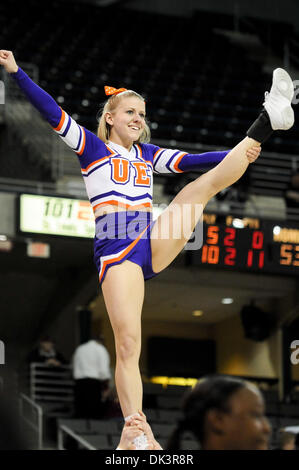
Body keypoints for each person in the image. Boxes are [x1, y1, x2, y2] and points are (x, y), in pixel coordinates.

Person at [0, 49, 294, 448]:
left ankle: (268, 120)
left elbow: (195, 161)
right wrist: (17, 73)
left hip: (150, 238)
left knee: (199, 187)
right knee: (128, 342)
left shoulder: (148, 155)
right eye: (130, 112)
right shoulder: (90, 147)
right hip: (117, 252)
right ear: (109, 117)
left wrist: (241, 151)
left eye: (142, 113)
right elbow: (51, 111)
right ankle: (135, 428)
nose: (139, 119)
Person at [72, 335, 112, 419]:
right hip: (93, 384)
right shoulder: (100, 349)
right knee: (93, 412)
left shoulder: (80, 349)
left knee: (81, 412)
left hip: (79, 383)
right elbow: (104, 371)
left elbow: (74, 366)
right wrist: (106, 387)